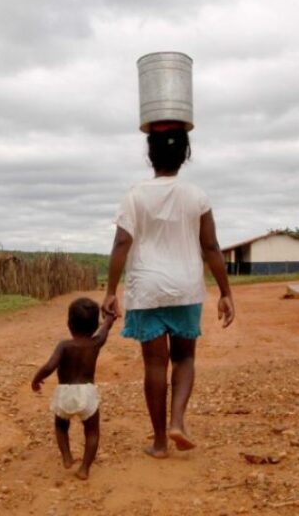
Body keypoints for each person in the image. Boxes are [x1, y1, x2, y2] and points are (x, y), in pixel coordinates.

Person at [102, 121, 235, 459]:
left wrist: (110, 291)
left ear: (150, 154)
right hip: (186, 287)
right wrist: (225, 292)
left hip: (146, 289)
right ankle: (178, 421)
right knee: (185, 357)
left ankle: (160, 442)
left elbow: (121, 242)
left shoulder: (134, 196)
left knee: (155, 366)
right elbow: (211, 246)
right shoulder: (197, 196)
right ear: (185, 154)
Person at [31, 297, 116, 480]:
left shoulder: (64, 346)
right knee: (92, 431)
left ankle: (67, 456)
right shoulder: (95, 343)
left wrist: (36, 379)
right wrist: (110, 317)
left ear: (69, 323)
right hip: (87, 393)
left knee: (61, 426)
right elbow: (105, 328)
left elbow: (49, 366)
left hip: (65, 393)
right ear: (94, 325)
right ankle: (85, 468)